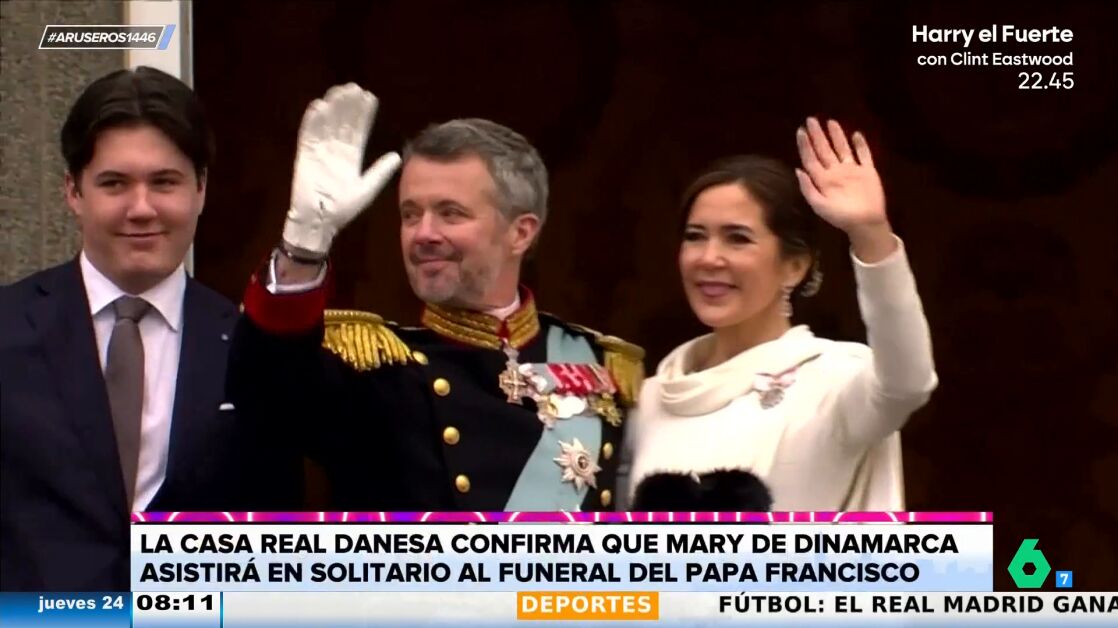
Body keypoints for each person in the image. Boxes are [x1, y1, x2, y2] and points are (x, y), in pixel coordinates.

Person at [228, 84, 643, 512]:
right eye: (410, 214)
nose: (423, 233)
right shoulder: (374, 373)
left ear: (521, 232)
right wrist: (305, 243)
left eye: (450, 213)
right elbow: (263, 393)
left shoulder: (603, 367)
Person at [0, 67, 301, 591]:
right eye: (114, 183)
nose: (141, 209)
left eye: (164, 182)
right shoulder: (9, 327)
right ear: (73, 191)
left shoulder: (248, 348)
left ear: (201, 189)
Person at [621, 118, 937, 511]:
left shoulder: (832, 379)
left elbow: (908, 383)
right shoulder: (650, 399)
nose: (709, 257)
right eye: (695, 236)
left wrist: (870, 233)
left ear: (795, 266)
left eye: (738, 238)